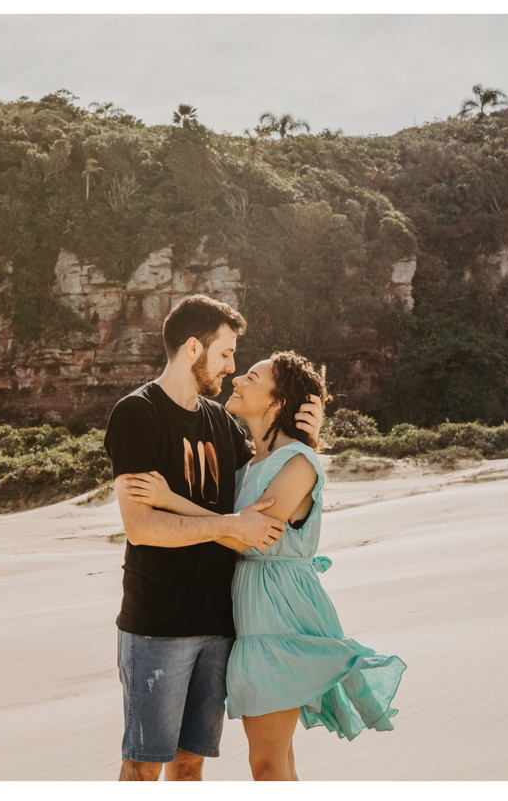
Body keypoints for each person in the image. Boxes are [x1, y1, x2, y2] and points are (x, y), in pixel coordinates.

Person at [121, 351, 406, 781]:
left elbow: (246, 535)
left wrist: (169, 500)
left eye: (252, 377)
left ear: (276, 401)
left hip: (281, 614)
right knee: (276, 762)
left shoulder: (297, 463)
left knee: (267, 764)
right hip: (250, 614)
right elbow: (233, 524)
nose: (236, 378)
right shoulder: (246, 465)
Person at [104, 295, 324, 782]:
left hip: (221, 625)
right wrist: (228, 525)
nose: (231, 367)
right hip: (158, 623)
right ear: (192, 348)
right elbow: (141, 527)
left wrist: (308, 435)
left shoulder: (221, 421)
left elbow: (272, 467)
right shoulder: (137, 413)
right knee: (143, 766)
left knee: (189, 766)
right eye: (225, 353)